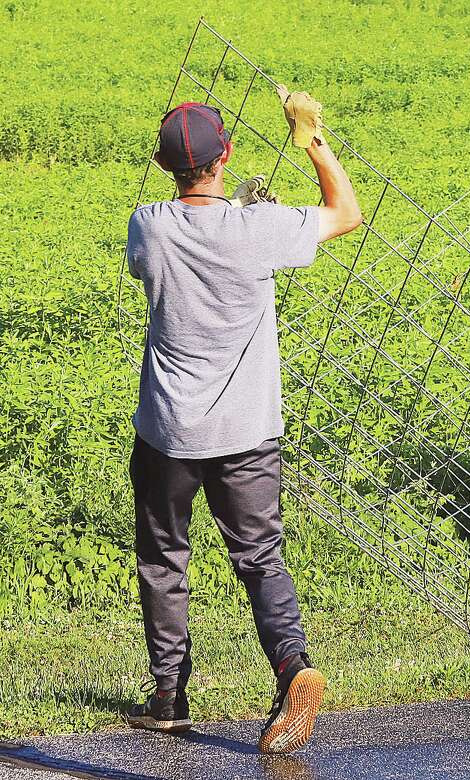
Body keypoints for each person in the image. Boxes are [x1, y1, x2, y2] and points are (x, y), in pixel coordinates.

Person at [122, 86, 362, 753]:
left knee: (164, 557)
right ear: (227, 154)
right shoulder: (261, 230)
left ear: (165, 162)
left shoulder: (150, 223)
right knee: (259, 557)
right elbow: (347, 212)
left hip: (169, 431)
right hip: (249, 432)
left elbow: (167, 249)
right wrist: (311, 138)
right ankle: (292, 666)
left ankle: (169, 696)